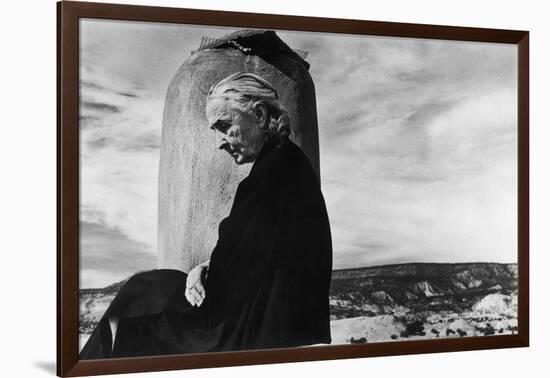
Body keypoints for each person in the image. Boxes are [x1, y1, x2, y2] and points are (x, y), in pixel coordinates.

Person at [80, 72, 333, 359]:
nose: (220, 141)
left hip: (253, 332)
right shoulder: (289, 164)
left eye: (225, 126)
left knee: (138, 296)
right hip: (275, 322)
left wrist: (203, 273)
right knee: (150, 288)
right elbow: (253, 255)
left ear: (260, 115)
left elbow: (229, 282)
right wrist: (209, 266)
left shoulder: (269, 177)